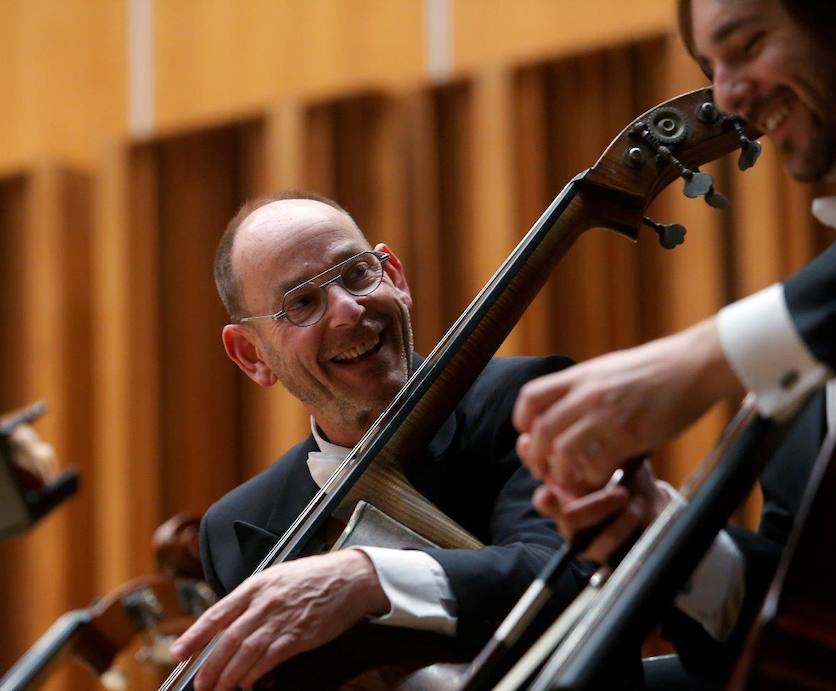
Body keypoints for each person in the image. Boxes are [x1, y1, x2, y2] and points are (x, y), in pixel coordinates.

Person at [513, 0, 836, 679]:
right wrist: (673, 542)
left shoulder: (829, 308)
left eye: (747, 46)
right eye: (709, 68)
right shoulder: (834, 306)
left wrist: (697, 362)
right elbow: (819, 623)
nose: (724, 97)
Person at [169, 191, 590, 690]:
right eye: (302, 301)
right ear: (251, 354)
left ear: (395, 277)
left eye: (356, 274)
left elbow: (569, 579)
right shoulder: (237, 527)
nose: (348, 310)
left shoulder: (527, 401)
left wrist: (365, 577)